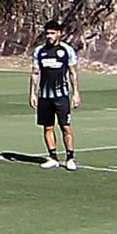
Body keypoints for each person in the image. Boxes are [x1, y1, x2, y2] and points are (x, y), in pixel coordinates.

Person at [29, 21, 80, 169]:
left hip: (61, 95)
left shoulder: (67, 50)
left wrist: (76, 93)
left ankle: (70, 158)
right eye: (47, 33)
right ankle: (52, 157)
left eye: (52, 33)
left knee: (66, 127)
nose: (49, 36)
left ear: (59, 33)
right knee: (47, 127)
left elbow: (72, 72)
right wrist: (33, 93)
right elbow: (35, 72)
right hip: (44, 96)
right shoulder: (40, 51)